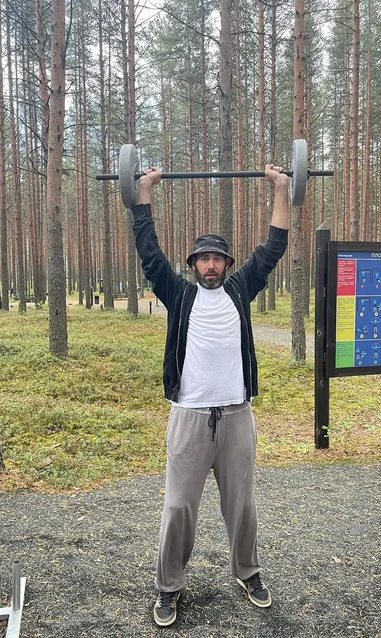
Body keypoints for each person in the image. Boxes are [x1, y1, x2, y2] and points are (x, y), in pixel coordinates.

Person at [131, 164, 289, 627]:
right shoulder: (179, 295)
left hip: (238, 415)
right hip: (190, 418)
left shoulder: (241, 290)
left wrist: (282, 188)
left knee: (242, 505)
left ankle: (248, 572)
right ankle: (169, 586)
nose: (211, 265)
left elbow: (273, 248)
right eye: (204, 259)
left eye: (218, 258)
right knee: (178, 505)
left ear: (228, 265)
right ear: (193, 265)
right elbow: (149, 252)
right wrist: (144, 191)